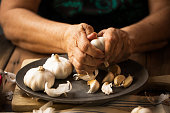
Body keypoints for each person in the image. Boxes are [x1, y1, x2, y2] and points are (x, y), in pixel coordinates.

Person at [0, 0, 170, 74]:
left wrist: (129, 39)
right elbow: (11, 15)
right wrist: (65, 37)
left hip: (143, 55)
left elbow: (166, 11)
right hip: (51, 51)